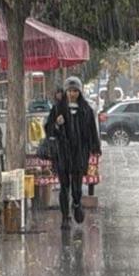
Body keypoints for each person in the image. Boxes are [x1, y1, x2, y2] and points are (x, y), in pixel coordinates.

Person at [45, 76, 101, 229]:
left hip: (79, 153)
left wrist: (95, 147)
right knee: (64, 186)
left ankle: (76, 203)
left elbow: (91, 131)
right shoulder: (57, 109)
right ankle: (65, 216)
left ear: (79, 92)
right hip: (63, 152)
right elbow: (48, 129)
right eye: (69, 90)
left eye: (75, 90)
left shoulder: (86, 110)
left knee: (77, 184)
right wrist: (57, 124)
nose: (72, 94)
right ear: (65, 91)